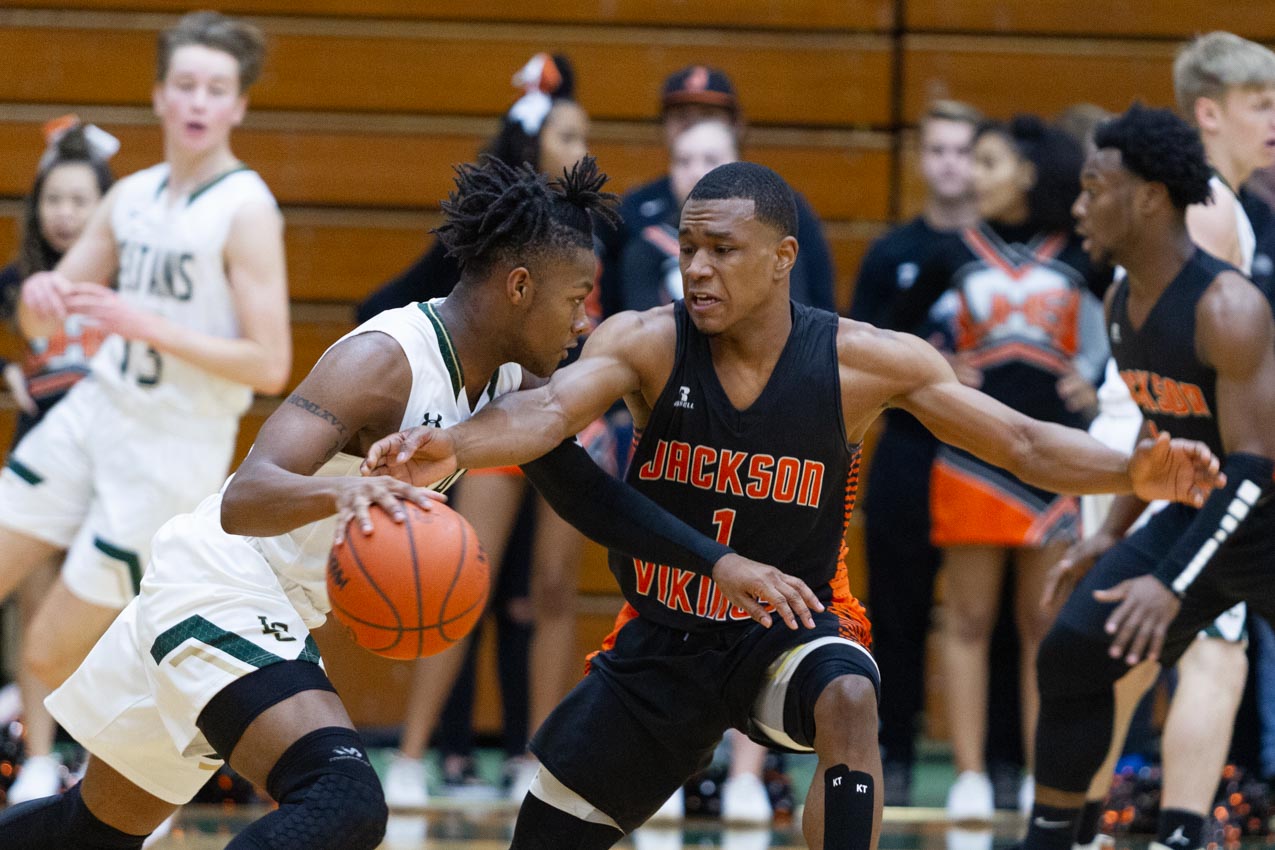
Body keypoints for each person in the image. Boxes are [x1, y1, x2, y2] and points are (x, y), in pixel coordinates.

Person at [364, 161, 1223, 850]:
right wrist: (457, 442)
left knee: (850, 699)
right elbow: (547, 412)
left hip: (790, 626)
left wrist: (1131, 474)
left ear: (782, 258)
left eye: (722, 250)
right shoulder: (649, 341)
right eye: (689, 247)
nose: (695, 267)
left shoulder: (865, 362)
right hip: (662, 638)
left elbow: (1024, 444)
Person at [0, 155, 822, 849]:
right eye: (577, 300)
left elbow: (587, 496)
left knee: (89, 832)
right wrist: (348, 490)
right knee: (344, 802)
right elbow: (244, 499)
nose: (582, 324)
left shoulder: (506, 380)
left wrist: (719, 563)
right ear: (520, 287)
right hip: (219, 584)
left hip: (263, 604)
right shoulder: (383, 361)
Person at [0, 11, 291, 805]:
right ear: (162, 96)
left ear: (237, 106)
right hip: (97, 412)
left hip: (172, 447)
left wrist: (147, 325)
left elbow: (271, 363)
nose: (199, 101)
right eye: (186, 85)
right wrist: (38, 294)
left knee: (52, 653)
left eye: (217, 89)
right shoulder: (131, 195)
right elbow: (46, 320)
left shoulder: (245, 208)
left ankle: (123, 795)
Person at [1018, 103, 1275, 850]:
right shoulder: (1121, 303)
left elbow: (1255, 470)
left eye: (1093, 187)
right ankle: (1051, 838)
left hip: (1259, 512)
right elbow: (1168, 444)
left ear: (1149, 197)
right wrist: (1112, 538)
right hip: (1205, 511)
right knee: (1073, 649)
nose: (1077, 205)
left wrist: (1169, 582)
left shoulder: (1226, 307)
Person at [360, 52, 597, 807]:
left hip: (574, 419)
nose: (582, 150)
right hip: (498, 416)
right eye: (569, 135)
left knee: (553, 594)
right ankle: (413, 754)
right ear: (531, 144)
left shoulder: (596, 228)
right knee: (455, 574)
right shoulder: (499, 242)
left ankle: (535, 761)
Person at [890, 116, 1110, 821]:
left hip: (1055, 459)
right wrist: (938, 364)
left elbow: (1122, 327)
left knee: (1043, 624)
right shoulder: (948, 255)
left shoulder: (1081, 255)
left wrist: (1100, 382)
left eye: (987, 163)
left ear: (1027, 172)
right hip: (969, 456)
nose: (972, 177)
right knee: (966, 619)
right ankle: (967, 777)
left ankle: (1043, 780)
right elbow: (900, 335)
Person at [849, 99, 1020, 809]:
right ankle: (890, 750)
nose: (952, 164)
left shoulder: (1017, 254)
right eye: (940, 150)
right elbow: (856, 347)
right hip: (910, 452)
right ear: (922, 160)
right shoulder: (894, 253)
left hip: (989, 456)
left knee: (1001, 614)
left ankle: (1004, 760)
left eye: (966, 151)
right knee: (897, 607)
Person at [0, 118, 116, 804]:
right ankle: (39, 759)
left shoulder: (125, 279)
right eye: (54, 199)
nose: (65, 213)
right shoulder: (20, 280)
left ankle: (97, 761)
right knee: (39, 600)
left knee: (101, 608)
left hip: (112, 465)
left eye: (80, 200)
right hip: (39, 455)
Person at [599, 65, 836, 316]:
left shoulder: (785, 208)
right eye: (682, 117)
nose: (693, 127)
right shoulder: (634, 216)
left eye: (708, 116)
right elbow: (614, 314)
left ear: (736, 130)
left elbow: (816, 312)